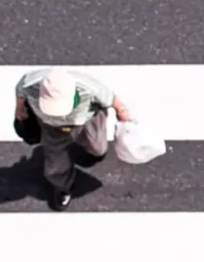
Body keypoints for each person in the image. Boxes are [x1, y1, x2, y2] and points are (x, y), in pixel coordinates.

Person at [13, 66, 135, 212]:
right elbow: (20, 91)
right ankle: (61, 186)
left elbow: (114, 101)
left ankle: (89, 153)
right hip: (51, 127)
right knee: (55, 161)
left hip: (87, 120)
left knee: (97, 149)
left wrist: (124, 116)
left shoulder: (90, 88)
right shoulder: (29, 84)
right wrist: (19, 108)